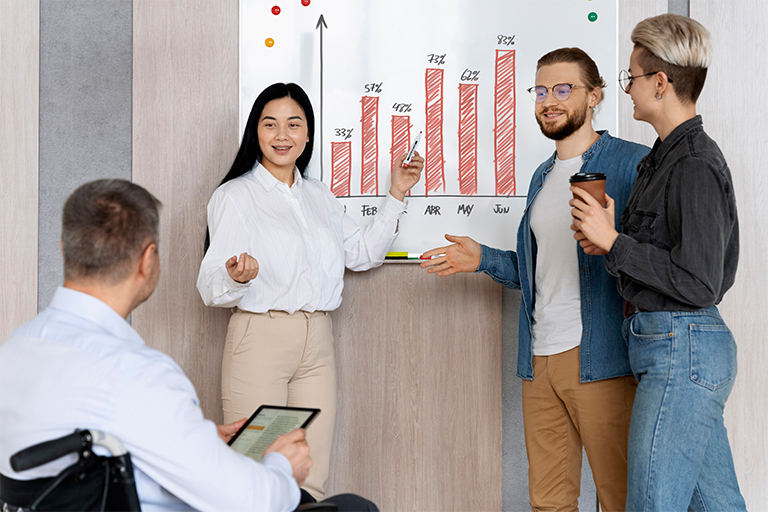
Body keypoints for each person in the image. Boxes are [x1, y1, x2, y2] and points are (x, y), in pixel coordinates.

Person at [0, 179, 377, 512]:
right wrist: (280, 466)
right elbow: (251, 502)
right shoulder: (142, 375)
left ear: (65, 250)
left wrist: (191, 437)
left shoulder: (15, 351)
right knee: (354, 507)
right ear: (148, 261)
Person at [420, 48, 648, 511]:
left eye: (564, 89)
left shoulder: (633, 163)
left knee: (621, 498)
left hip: (601, 358)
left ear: (596, 96)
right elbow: (540, 273)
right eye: (541, 90)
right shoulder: (542, 176)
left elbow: (650, 259)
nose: (550, 100)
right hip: (538, 361)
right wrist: (483, 258)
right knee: (548, 502)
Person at [196, 82, 423, 500]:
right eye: (270, 124)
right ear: (256, 132)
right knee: (257, 473)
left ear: (307, 134)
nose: (282, 135)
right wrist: (235, 276)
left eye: (293, 124)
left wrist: (398, 192)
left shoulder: (319, 195)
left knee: (311, 477)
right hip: (260, 339)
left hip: (317, 340)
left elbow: (363, 254)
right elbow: (210, 285)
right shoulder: (235, 196)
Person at [571, 14, 746, 511]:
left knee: (651, 505)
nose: (626, 89)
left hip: (682, 349)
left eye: (631, 77)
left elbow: (700, 280)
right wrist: (609, 240)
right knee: (717, 506)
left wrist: (616, 242)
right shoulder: (661, 158)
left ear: (661, 83)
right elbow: (662, 261)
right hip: (672, 347)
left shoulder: (693, 162)